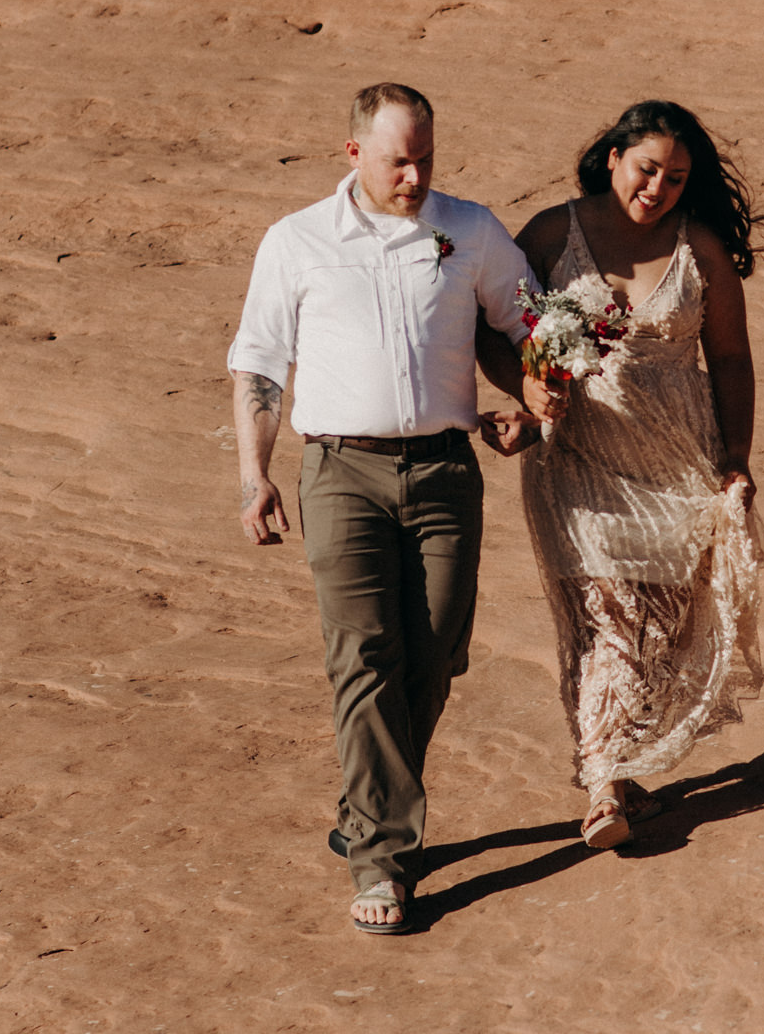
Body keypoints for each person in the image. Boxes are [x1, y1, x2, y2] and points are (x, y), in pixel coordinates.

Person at [228, 81, 560, 934]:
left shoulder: (473, 230)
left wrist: (535, 403)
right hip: (341, 473)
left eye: (424, 160)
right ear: (354, 155)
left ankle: (364, 796)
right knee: (365, 656)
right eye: (396, 162)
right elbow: (260, 364)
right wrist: (253, 476)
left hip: (447, 472)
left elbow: (529, 328)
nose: (413, 177)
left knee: (439, 648)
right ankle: (383, 859)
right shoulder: (296, 242)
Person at [494, 99, 764, 851]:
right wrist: (525, 392)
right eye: (646, 168)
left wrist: (737, 460)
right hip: (580, 456)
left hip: (678, 460)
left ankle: (615, 752)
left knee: (662, 621)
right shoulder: (555, 233)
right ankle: (604, 786)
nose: (657, 188)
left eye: (677, 178)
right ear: (613, 156)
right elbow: (494, 325)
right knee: (606, 615)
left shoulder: (703, 250)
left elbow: (734, 360)